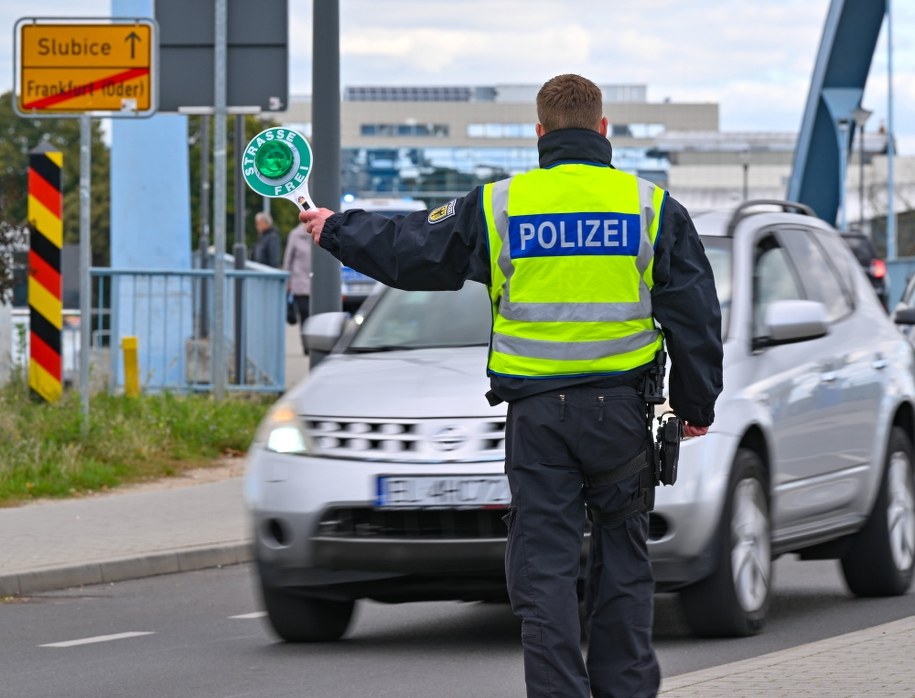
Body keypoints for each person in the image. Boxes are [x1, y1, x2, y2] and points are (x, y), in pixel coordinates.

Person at [300, 74, 722, 698]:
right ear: (604, 131)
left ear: (539, 133)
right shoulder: (651, 206)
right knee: (623, 563)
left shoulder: (499, 205)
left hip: (539, 420)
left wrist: (336, 229)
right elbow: (694, 311)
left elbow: (414, 249)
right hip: (623, 419)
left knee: (544, 571)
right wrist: (695, 403)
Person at [283, 221, 313, 352]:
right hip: (300, 282)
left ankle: (314, 342)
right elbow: (288, 259)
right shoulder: (295, 235)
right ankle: (306, 345)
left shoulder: (319, 231)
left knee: (315, 314)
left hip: (315, 281)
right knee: (305, 314)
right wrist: (287, 282)